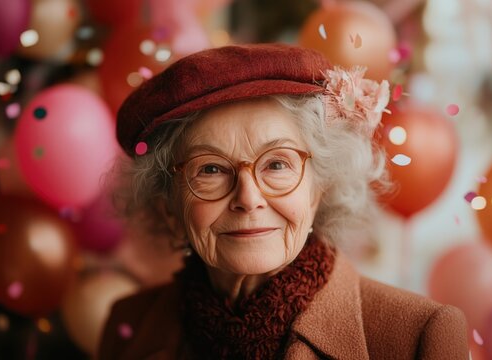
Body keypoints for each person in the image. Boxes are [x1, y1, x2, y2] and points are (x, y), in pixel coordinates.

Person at [99, 43, 468, 359]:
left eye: (277, 164)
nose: (248, 198)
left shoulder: (417, 337)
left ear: (319, 188)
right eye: (210, 169)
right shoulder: (127, 324)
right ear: (168, 208)